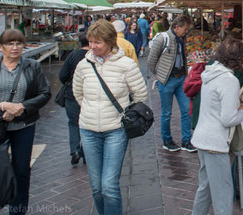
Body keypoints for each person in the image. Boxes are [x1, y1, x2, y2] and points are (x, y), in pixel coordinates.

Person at [72, 20, 148, 215]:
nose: (93, 46)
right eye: (91, 42)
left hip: (115, 130)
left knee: (109, 186)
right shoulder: (83, 65)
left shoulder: (126, 65)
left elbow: (140, 95)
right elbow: (78, 94)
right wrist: (91, 110)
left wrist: (126, 115)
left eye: (98, 42)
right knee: (96, 187)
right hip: (88, 130)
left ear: (110, 42)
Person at [0, 29, 51, 215]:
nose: (15, 47)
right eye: (10, 43)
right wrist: (2, 106)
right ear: (0, 47)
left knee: (21, 171)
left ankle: (17, 211)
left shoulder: (31, 66)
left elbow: (44, 93)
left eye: (18, 43)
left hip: (23, 126)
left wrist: (21, 107)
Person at [191, 38, 243, 215]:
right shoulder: (229, 80)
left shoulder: (210, 73)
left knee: (205, 187)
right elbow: (228, 119)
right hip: (216, 142)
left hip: (202, 137)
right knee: (223, 192)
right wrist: (242, 113)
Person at [147, 15, 195, 152]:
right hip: (167, 80)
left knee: (186, 110)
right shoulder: (163, 38)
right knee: (166, 113)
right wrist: (161, 75)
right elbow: (151, 60)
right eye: (185, 29)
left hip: (181, 79)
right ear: (176, 27)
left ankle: (186, 140)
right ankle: (167, 140)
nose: (186, 32)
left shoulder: (182, 38)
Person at [59, 34, 89, 165]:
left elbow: (62, 75)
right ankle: (86, 152)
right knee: (88, 124)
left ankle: (75, 150)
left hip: (72, 94)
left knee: (73, 123)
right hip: (89, 95)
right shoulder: (95, 56)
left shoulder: (73, 55)